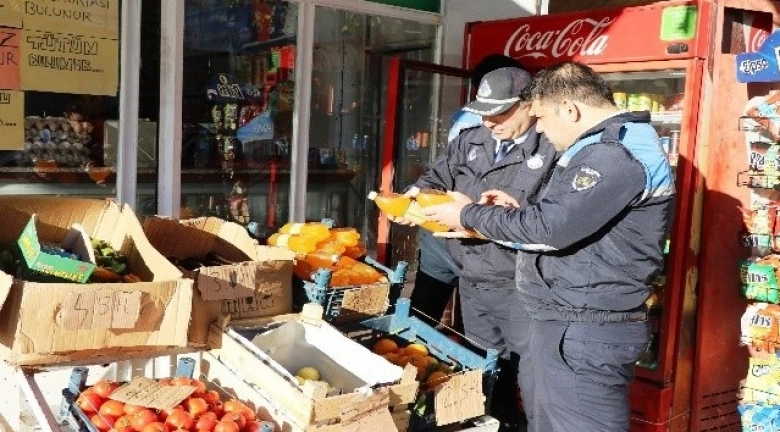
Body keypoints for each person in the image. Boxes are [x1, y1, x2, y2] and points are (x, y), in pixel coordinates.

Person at [422, 61, 674, 432]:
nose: (539, 128)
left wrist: (469, 215)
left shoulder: (612, 154)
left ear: (570, 110)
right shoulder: (601, 147)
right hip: (569, 320)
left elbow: (551, 229)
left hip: (585, 324)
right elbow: (564, 221)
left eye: (540, 117)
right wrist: (517, 211)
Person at [395, 66, 557, 432]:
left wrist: (478, 215)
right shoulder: (469, 141)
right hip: (473, 278)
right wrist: (415, 201)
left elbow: (553, 219)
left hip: (523, 285)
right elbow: (434, 179)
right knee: (481, 369)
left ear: (529, 105)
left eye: (500, 113)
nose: (491, 122)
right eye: (484, 112)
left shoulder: (552, 149)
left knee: (530, 378)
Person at [409, 54, 523, 330]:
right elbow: (439, 173)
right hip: (450, 236)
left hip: (485, 251)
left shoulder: (467, 117)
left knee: (427, 319)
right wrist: (415, 197)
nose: (490, 122)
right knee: (432, 320)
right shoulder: (474, 128)